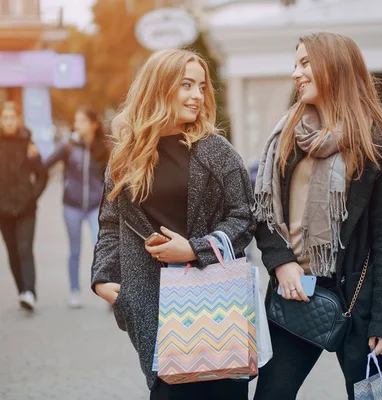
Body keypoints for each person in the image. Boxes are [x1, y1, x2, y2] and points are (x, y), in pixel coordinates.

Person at [252, 32, 382, 400]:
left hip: (359, 299)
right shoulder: (287, 135)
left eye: (305, 63)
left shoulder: (378, 142)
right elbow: (263, 213)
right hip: (296, 293)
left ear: (335, 67)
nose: (296, 73)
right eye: (295, 64)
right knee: (272, 394)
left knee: (376, 397)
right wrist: (281, 262)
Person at [90, 49, 256, 399]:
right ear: (159, 87)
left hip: (213, 306)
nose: (197, 95)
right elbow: (110, 223)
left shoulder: (215, 150)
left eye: (201, 86)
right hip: (156, 308)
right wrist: (103, 279)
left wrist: (195, 249)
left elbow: (245, 215)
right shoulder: (125, 157)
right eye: (186, 85)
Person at [44, 108, 110, 308]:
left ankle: (108, 289)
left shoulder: (103, 147)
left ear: (93, 125)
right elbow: (46, 163)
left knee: (100, 246)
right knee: (74, 249)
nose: (77, 124)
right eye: (76, 120)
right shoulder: (69, 145)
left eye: (81, 121)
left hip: (95, 206)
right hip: (71, 205)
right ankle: (74, 291)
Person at [0, 101, 48, 311]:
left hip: (26, 209)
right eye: (5, 117)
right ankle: (22, 290)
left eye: (12, 117)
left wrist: (32, 196)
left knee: (24, 248)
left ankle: (30, 291)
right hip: (3, 210)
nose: (8, 121)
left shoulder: (29, 144)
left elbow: (42, 174)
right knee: (12, 252)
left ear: (18, 120)